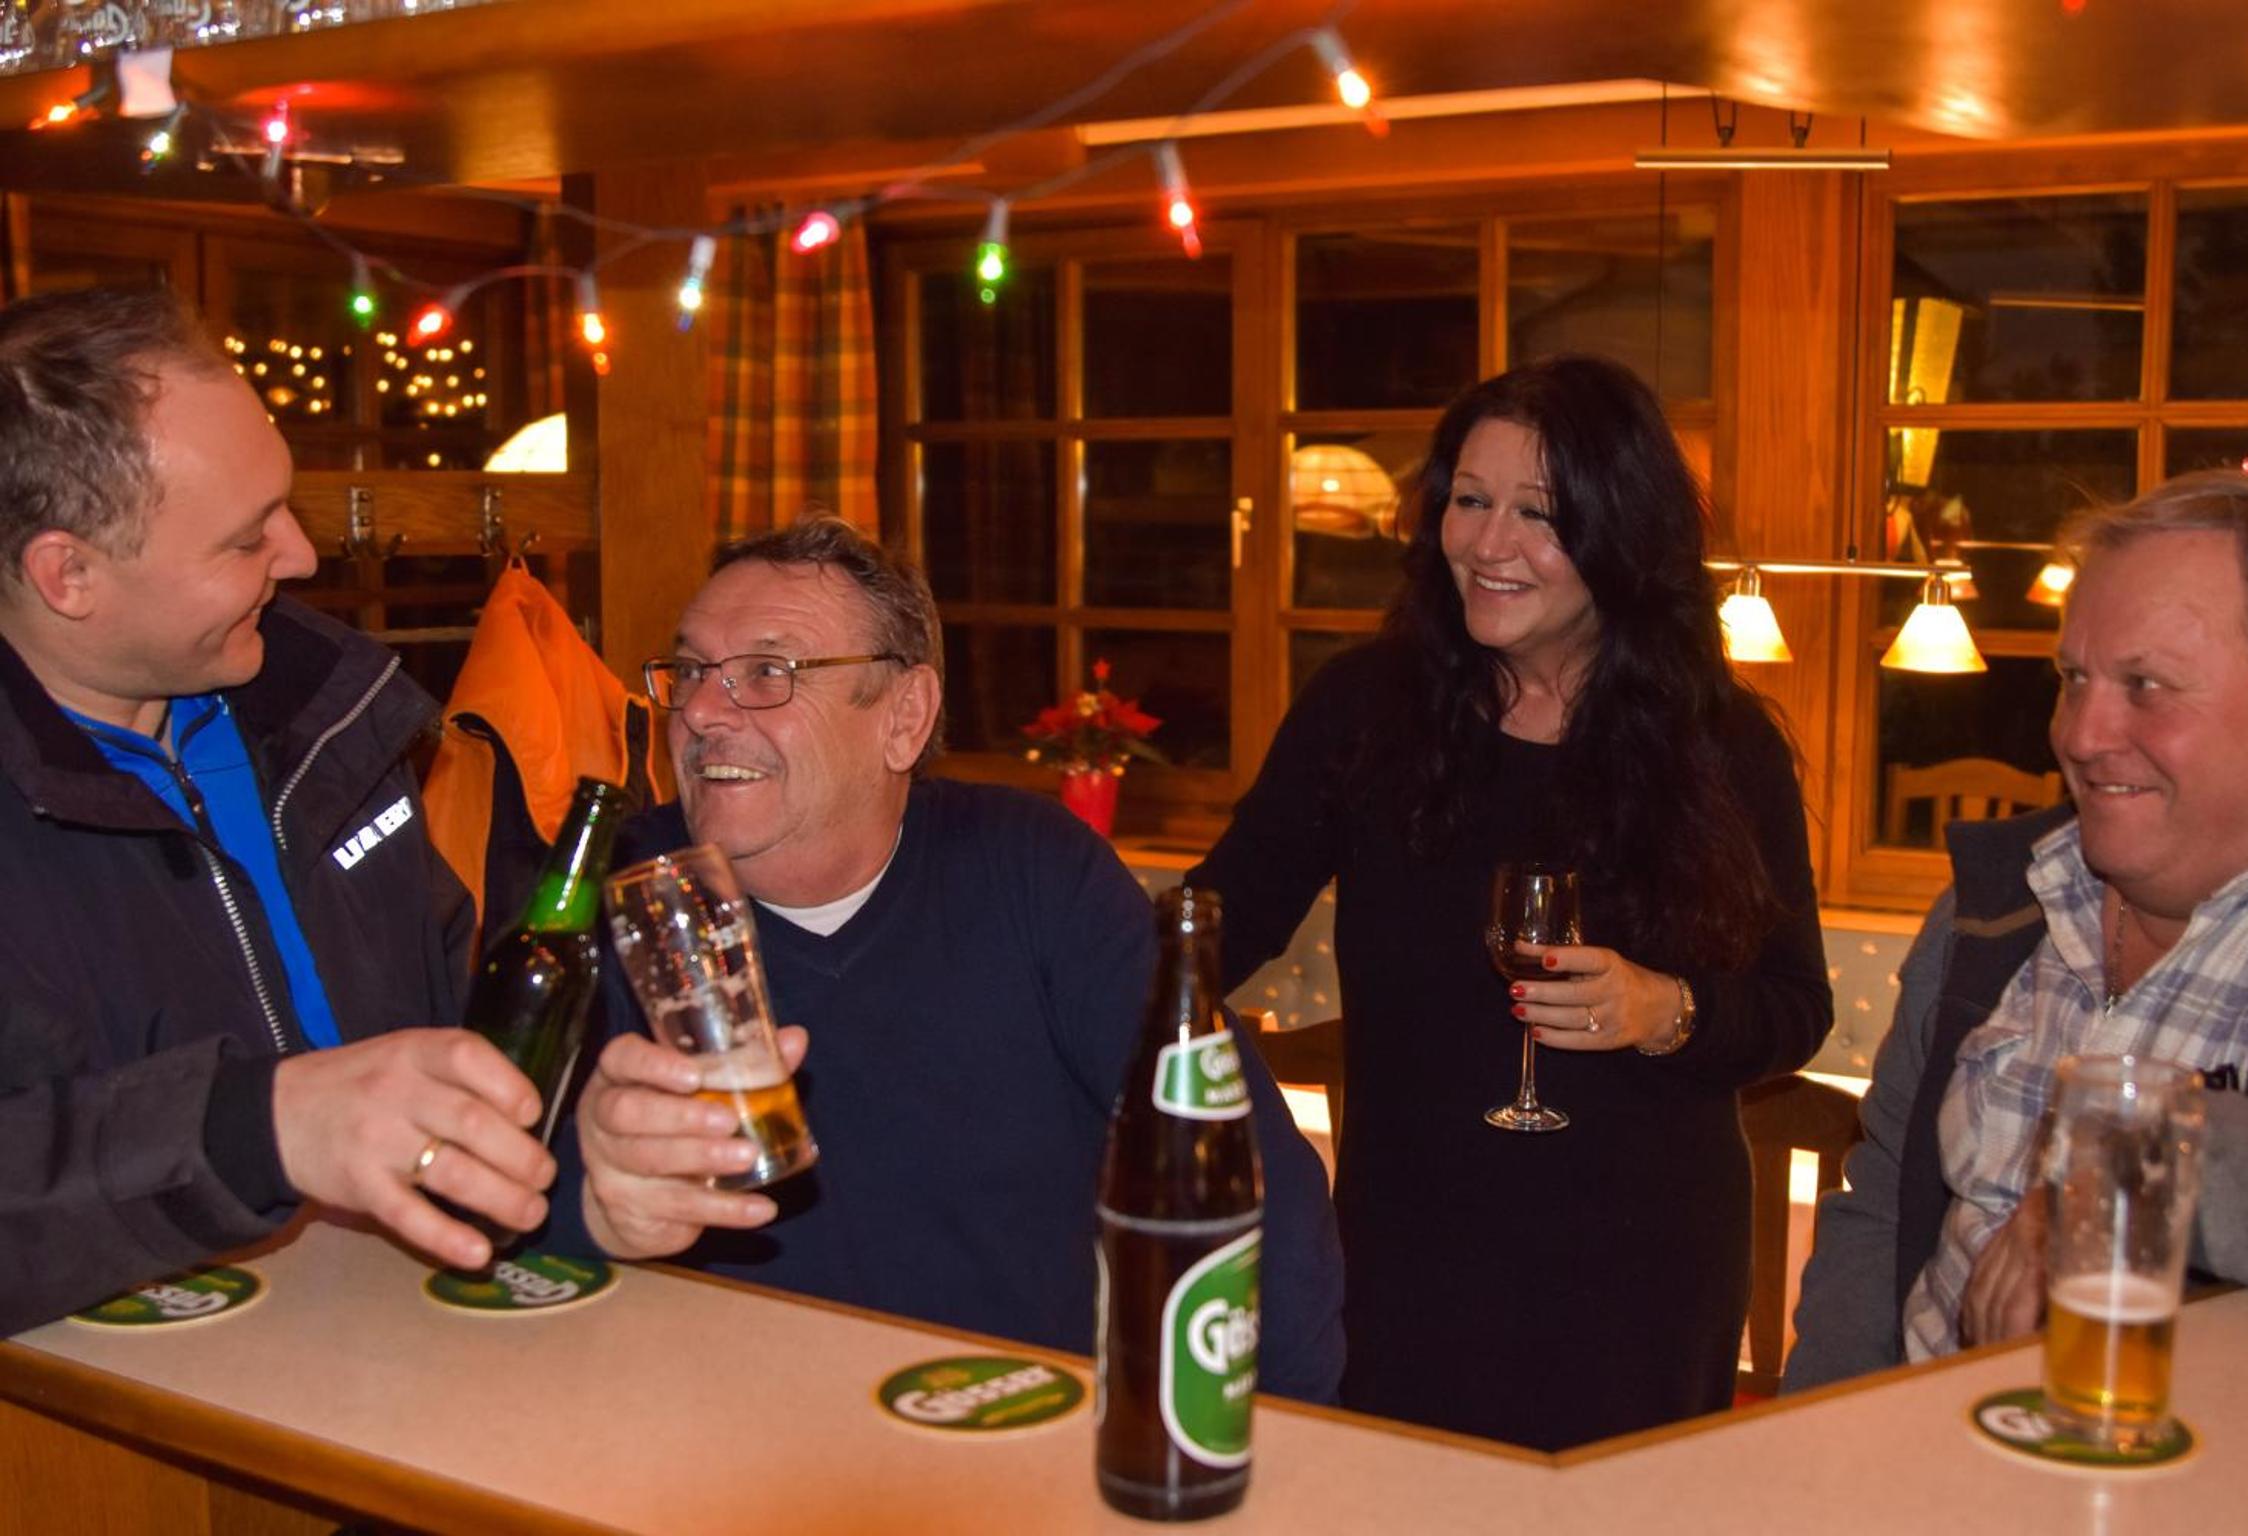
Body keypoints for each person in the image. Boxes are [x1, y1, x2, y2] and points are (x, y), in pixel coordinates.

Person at [1187, 357, 1832, 1450]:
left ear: (1620, 532)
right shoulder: (1364, 710)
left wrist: (1664, 1010)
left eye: (1538, 513)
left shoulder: (1720, 744)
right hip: (1410, 1253)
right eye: (1470, 500)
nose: (1488, 544)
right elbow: (1224, 917)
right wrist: (1064, 970)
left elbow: (1793, 1007)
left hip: (1642, 1273)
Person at [564, 518, 1345, 1400]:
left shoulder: (1032, 873)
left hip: (1022, 1432)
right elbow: (487, 1225)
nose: (702, 712)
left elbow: (1243, 1170)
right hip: (716, 1440)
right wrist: (593, 1209)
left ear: (904, 718)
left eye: (767, 673)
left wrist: (1268, 1435)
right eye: (692, 672)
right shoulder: (609, 894)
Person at [0, 286, 558, 1335]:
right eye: (245, 538)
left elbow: (453, 1024)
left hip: (403, 1357)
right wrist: (257, 1130)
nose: (301, 556)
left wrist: (582, 1129)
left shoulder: (324, 719)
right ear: (68, 574)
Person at [1785, 469, 2248, 1391]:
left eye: (2147, 685)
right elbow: (1883, 1208)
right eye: (2074, 679)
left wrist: (2118, 1178)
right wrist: (1818, 1436)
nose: (2082, 734)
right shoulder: (1991, 912)